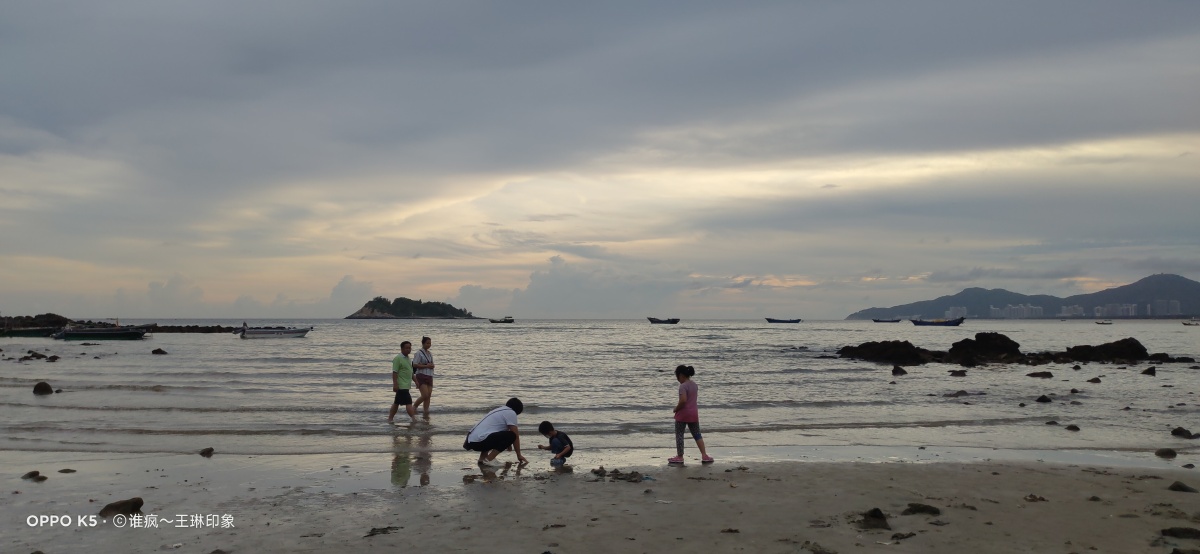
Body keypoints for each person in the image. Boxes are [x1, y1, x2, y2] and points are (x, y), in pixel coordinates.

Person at [669, 364, 713, 465]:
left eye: (677, 377)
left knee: (679, 434)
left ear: (680, 375)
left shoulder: (683, 386)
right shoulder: (694, 385)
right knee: (697, 434)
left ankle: (680, 456)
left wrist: (676, 409)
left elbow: (683, 400)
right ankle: (704, 455)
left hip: (683, 414)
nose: (677, 379)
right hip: (693, 413)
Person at [464, 398, 528, 464]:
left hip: (471, 441)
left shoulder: (499, 410)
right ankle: (489, 460)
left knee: (488, 434)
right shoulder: (511, 412)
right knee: (512, 435)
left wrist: (508, 444)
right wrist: (519, 455)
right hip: (480, 441)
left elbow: (497, 431)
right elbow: (515, 435)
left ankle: (482, 459)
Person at [388, 341, 417, 423]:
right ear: (402, 349)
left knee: (396, 403)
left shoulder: (408, 359)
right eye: (406, 348)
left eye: (409, 348)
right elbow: (394, 372)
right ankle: (414, 419)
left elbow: (411, 372)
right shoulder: (398, 358)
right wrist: (395, 384)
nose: (408, 350)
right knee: (408, 402)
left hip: (406, 385)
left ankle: (390, 418)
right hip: (401, 385)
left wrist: (416, 381)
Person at [412, 336, 435, 417]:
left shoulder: (429, 353)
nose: (429, 345)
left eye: (430, 343)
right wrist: (426, 365)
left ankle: (426, 411)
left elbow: (430, 364)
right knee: (424, 395)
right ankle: (414, 407)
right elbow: (415, 364)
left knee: (428, 395)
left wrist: (432, 366)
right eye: (427, 343)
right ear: (423, 343)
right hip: (421, 375)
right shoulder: (419, 353)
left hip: (429, 375)